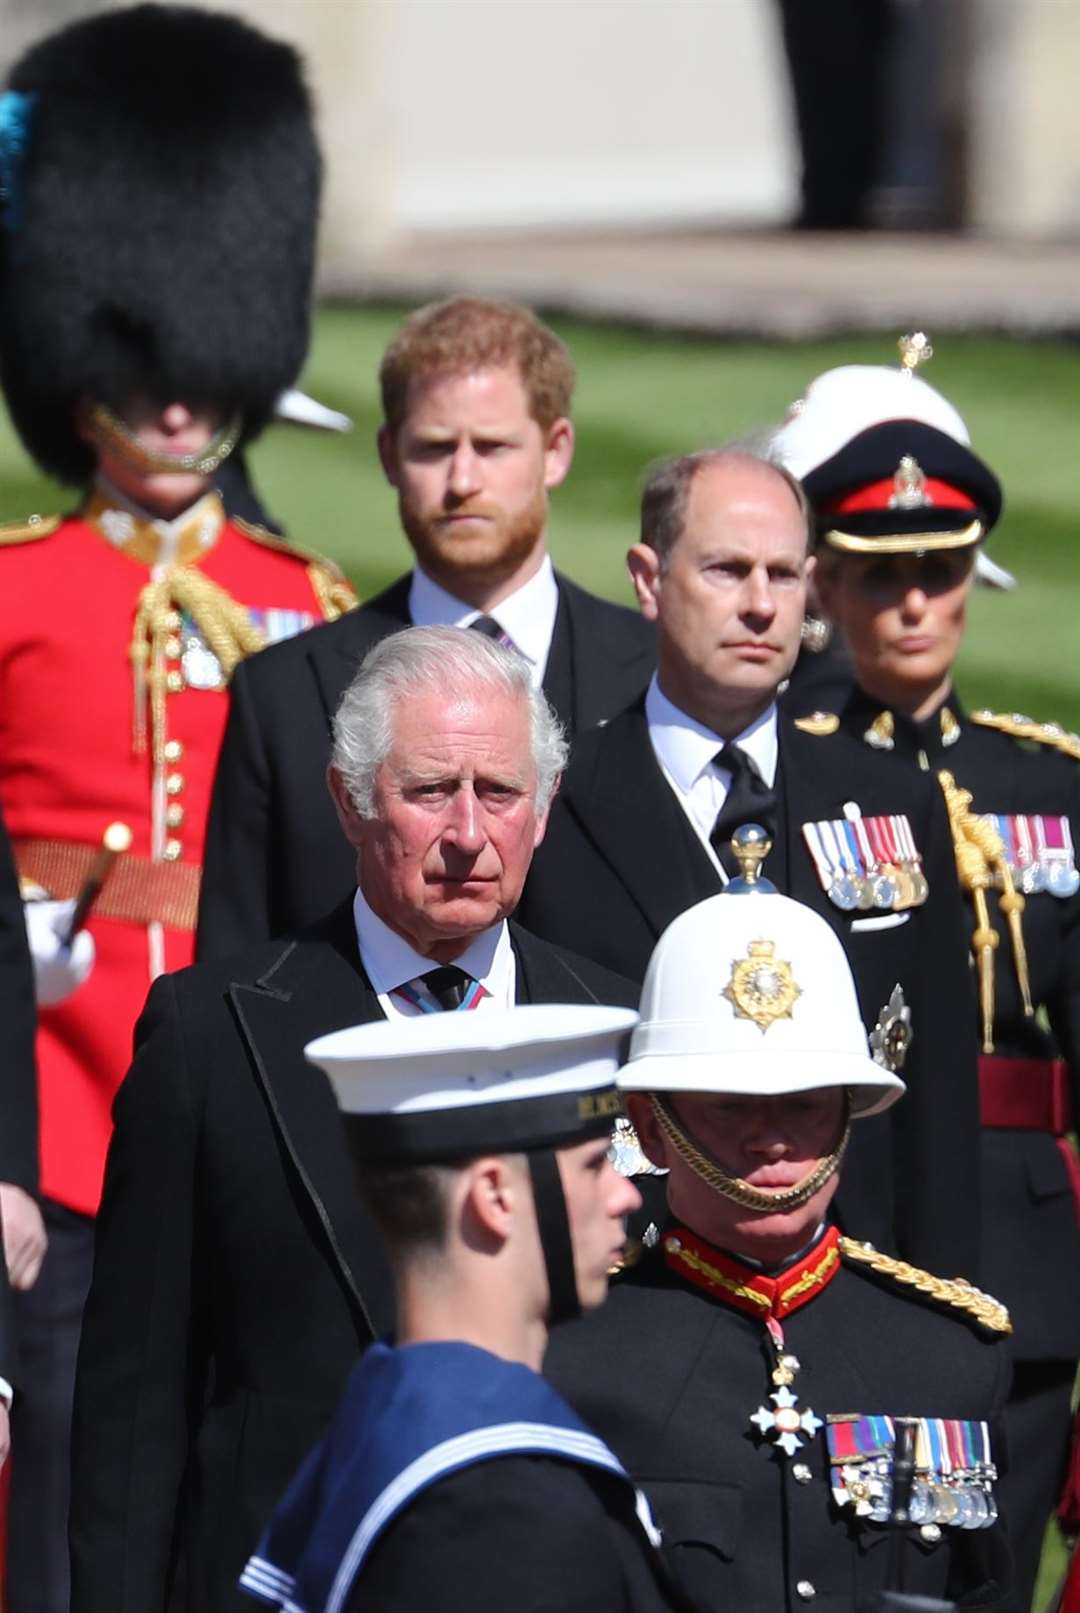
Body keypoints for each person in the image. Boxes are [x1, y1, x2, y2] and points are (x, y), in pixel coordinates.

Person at [0, 9, 354, 1607]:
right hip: (60, 1105)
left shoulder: (307, 599)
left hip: (243, 1091)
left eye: (203, 373)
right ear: (82, 381)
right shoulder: (18, 590)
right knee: (66, 1484)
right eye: (146, 371)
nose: (178, 406)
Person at [71, 628, 639, 1613]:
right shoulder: (212, 1033)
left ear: (542, 809)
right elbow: (134, 1407)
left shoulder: (617, 1029)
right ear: (348, 798)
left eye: (499, 792)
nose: (468, 831)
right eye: (430, 791)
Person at [772, 346, 1080, 1606]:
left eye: (940, 573)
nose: (913, 604)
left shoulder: (1048, 784)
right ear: (829, 584)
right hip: (850, 1220)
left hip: (1030, 1253)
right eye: (883, 574)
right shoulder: (779, 777)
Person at [517, 446, 980, 1277]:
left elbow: (939, 1109)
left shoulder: (893, 802)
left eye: (784, 574)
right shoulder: (554, 803)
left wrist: (941, 1316)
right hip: (637, 1296)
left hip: (857, 1288)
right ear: (648, 580)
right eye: (728, 570)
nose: (763, 606)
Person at [546, 877, 1015, 1610]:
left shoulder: (949, 1355)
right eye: (732, 1105)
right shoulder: (569, 1356)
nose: (771, 1139)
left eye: (803, 1102)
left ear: (849, 1112)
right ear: (652, 1123)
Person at [196, 295, 656, 958]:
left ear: (556, 452)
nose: (462, 480)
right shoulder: (285, 696)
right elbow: (235, 976)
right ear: (388, 456)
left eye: (492, 447)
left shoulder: (653, 674)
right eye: (434, 448)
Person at [239, 1004, 692, 1613]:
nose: (626, 1193)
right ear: (495, 1196)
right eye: (593, 1165)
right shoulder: (504, 1509)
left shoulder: (390, 1418)